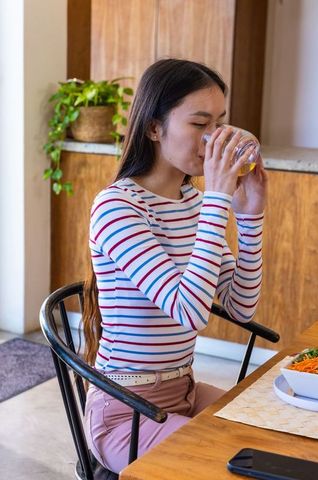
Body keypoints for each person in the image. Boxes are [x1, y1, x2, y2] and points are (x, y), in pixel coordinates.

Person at [83, 58, 267, 474]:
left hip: (183, 392)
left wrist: (250, 216)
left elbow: (241, 308)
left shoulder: (193, 203)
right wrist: (220, 201)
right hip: (123, 412)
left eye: (219, 123)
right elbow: (190, 312)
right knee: (227, 464)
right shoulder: (117, 207)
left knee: (266, 440)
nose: (214, 139)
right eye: (199, 124)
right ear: (153, 127)